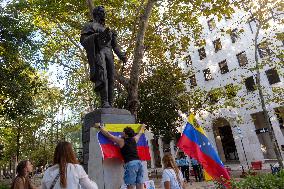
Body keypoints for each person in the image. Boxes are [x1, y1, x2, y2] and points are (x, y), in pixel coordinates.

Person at [80, 6, 127, 108]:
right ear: (96, 13)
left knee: (111, 78)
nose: (104, 14)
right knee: (103, 76)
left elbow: (115, 46)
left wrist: (121, 55)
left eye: (104, 12)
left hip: (109, 54)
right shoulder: (90, 25)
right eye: (102, 12)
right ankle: (104, 102)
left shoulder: (108, 30)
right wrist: (96, 37)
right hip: (99, 52)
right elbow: (83, 41)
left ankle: (111, 103)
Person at [94, 123, 145, 189]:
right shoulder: (134, 139)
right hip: (139, 163)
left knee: (130, 185)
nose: (121, 133)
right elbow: (140, 133)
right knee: (140, 184)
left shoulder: (121, 141)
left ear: (126, 135)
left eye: (123, 132)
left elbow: (109, 136)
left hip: (131, 164)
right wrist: (143, 126)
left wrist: (99, 127)